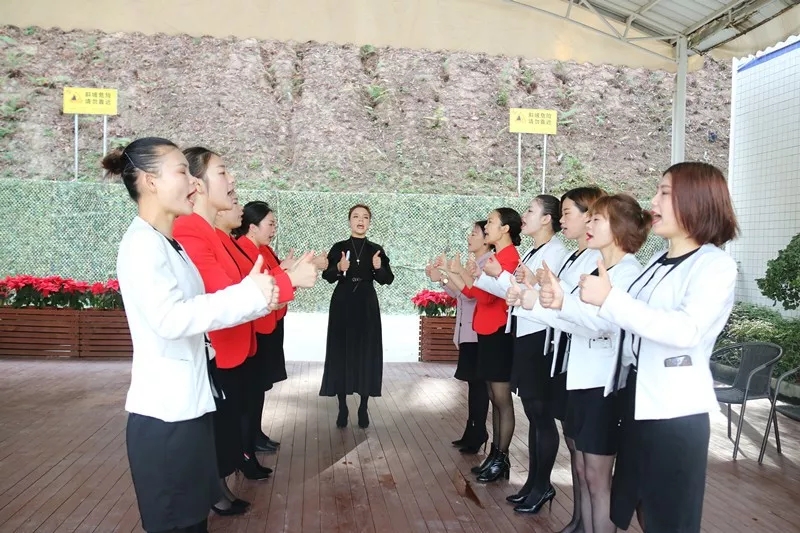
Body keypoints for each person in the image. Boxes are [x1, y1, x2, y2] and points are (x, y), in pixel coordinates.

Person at [108, 137, 279, 533]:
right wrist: (249, 295)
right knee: (178, 524)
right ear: (150, 181)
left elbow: (203, 305)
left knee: (193, 522)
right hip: (165, 417)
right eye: (182, 172)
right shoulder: (142, 246)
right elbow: (170, 319)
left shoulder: (168, 243)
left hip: (189, 407)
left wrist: (251, 297)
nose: (193, 183)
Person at [577, 163, 739, 533]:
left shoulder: (715, 266)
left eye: (665, 192)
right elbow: (628, 321)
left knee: (667, 518)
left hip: (674, 413)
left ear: (697, 200)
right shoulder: (657, 261)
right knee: (641, 507)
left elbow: (686, 329)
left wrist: (611, 300)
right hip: (639, 402)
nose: (653, 201)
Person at [174, 147, 317, 483]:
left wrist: (284, 277)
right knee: (223, 426)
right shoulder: (191, 230)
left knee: (235, 418)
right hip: (218, 349)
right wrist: (289, 279)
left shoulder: (210, 234)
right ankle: (220, 486)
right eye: (223, 172)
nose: (232, 180)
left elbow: (240, 289)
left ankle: (225, 481)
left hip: (235, 344)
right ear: (197, 184)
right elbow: (228, 297)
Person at [512, 194, 652, 532]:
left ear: (617, 227)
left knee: (598, 478)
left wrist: (551, 302)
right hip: (581, 377)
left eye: (596, 219)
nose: (588, 224)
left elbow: (601, 323)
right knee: (585, 472)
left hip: (604, 384)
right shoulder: (601, 267)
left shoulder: (628, 271)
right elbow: (575, 319)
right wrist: (538, 302)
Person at [513, 186, 606, 531]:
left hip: (569, 354)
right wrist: (535, 291)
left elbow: (582, 311)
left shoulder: (595, 260)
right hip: (563, 351)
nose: (564, 219)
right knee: (575, 447)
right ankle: (578, 517)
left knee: (585, 454)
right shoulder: (573, 257)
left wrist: (541, 294)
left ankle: (576, 514)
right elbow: (560, 301)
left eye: (568, 213)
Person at [474, 196, 567, 510]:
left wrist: (501, 276)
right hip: (524, 335)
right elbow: (515, 291)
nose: (524, 215)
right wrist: (495, 277)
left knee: (541, 414)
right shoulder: (532, 251)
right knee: (533, 413)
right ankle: (533, 483)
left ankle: (542, 485)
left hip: (541, 337)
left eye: (530, 210)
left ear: (547, 219)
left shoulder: (556, 253)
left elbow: (546, 297)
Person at [233, 200, 327, 452]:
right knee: (252, 387)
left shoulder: (262, 249)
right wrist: (291, 272)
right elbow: (266, 285)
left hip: (270, 322)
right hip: (257, 326)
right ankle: (248, 441)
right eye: (270, 224)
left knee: (259, 386)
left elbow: (278, 279)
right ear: (252, 227)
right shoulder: (244, 249)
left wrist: (291, 270)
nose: (274, 229)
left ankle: (256, 434)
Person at [439, 208, 521, 483]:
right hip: (485, 329)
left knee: (502, 399)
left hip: (498, 331)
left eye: (491, 222)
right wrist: (465, 274)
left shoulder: (509, 257)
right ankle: (495, 456)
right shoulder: (498, 257)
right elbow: (476, 293)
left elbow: (489, 297)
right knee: (494, 398)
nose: (487, 227)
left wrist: (472, 274)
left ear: (506, 228)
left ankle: (501, 457)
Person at [320, 204, 394, 429]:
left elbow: (387, 279)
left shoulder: (376, 249)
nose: (360, 220)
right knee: (341, 351)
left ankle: (363, 406)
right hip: (342, 302)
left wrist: (378, 268)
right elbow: (327, 276)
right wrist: (339, 267)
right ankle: (342, 407)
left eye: (365, 217)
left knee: (366, 352)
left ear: (369, 222)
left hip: (366, 302)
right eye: (356, 216)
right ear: (349, 221)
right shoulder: (339, 247)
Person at [425, 221, 493, 454]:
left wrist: (449, 274)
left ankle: (478, 432)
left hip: (478, 333)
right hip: (467, 331)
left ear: (487, 239)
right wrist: (442, 279)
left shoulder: (488, 264)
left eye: (474, 233)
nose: (469, 237)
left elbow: (472, 295)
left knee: (479, 386)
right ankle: (472, 431)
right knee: (473, 385)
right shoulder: (474, 263)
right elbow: (461, 294)